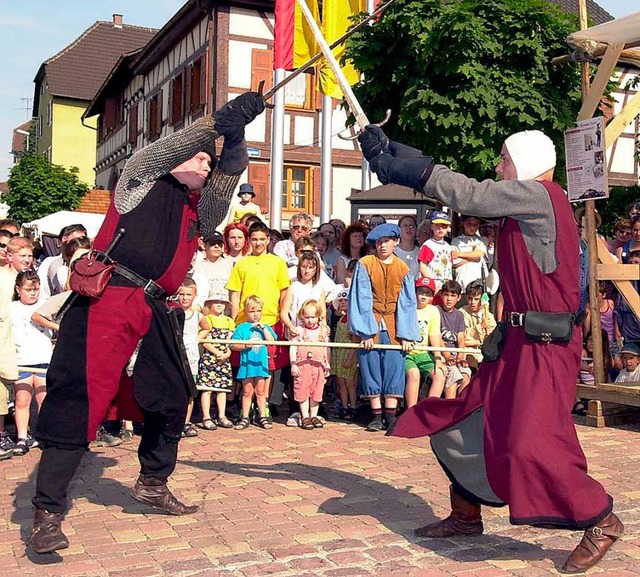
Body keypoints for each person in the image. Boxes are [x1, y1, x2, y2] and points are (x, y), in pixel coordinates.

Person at [359, 125, 623, 573]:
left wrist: (393, 167)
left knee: (533, 440)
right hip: (518, 340)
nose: (498, 166)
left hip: (546, 345)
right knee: (463, 415)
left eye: (504, 158)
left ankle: (601, 518)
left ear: (526, 162)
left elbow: (468, 194)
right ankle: (466, 513)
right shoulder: (525, 204)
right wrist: (394, 148)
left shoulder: (540, 196)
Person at [27, 91, 266, 554]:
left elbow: (223, 185)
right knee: (82, 400)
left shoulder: (199, 207)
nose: (203, 164)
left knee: (173, 395)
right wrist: (215, 124)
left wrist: (233, 145)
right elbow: (160, 153)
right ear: (177, 157)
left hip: (157, 308)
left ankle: (153, 482)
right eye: (196, 157)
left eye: (207, 160)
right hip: (109, 300)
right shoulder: (137, 180)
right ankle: (47, 510)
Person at [348, 223, 420, 432]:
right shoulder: (365, 264)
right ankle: (376, 414)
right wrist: (366, 332)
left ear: (395, 242)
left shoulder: (403, 268)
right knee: (370, 363)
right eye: (379, 242)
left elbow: (407, 303)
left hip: (394, 324)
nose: (382, 246)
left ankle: (390, 414)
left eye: (387, 241)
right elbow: (361, 298)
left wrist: (406, 335)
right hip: (371, 321)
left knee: (394, 365)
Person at [10, 270, 53, 456]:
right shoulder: (11, 308)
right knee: (22, 399)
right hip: (22, 360)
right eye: (28, 289)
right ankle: (22, 437)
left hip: (44, 359)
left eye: (36, 289)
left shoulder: (46, 305)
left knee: (43, 399)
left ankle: (45, 435)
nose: (33, 293)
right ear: (19, 290)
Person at [230, 295, 276, 430]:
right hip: (247, 365)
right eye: (252, 311)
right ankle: (245, 416)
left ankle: (262, 415)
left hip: (261, 365)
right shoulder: (241, 328)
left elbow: (271, 341)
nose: (256, 314)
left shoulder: (265, 326)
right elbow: (232, 345)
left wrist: (263, 329)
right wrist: (245, 346)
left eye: (258, 311)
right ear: (245, 312)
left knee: (261, 391)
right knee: (247, 391)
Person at [289, 299, 331, 430]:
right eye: (307, 317)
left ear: (319, 317)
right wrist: (293, 364)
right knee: (302, 390)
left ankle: (314, 415)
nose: (310, 320)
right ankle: (304, 416)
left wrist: (327, 364)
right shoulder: (299, 331)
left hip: (318, 366)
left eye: (313, 317)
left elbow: (326, 348)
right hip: (303, 365)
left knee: (317, 391)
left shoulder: (323, 331)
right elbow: (293, 347)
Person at [197, 290, 235, 430]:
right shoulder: (207, 319)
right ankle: (206, 416)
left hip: (224, 359)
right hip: (209, 357)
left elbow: (231, 341)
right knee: (207, 389)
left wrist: (227, 353)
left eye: (222, 302)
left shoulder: (229, 321)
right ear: (210, 304)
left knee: (222, 389)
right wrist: (216, 352)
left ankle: (222, 415)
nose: (219, 305)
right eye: (216, 302)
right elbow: (204, 339)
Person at [405, 277, 446, 406]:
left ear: (432, 297)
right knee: (414, 374)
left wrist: (438, 359)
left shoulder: (433, 311)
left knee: (440, 374)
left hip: (424, 353)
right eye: (421, 291)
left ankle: (428, 410)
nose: (423, 295)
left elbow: (434, 335)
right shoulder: (407, 307)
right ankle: (411, 412)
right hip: (406, 353)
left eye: (428, 293)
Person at [174, 278, 201, 438]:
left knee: (190, 392)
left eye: (188, 294)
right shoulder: (172, 312)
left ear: (195, 295)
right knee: (177, 390)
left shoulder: (197, 315)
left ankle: (186, 421)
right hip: (176, 358)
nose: (184, 298)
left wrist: (199, 337)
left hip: (191, 359)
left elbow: (206, 327)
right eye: (181, 294)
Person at [418, 211, 454, 291]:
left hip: (446, 287)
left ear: (448, 228)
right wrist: (432, 285)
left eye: (444, 225)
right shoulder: (428, 245)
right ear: (432, 227)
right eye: (437, 225)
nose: (440, 228)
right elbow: (423, 267)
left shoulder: (449, 247)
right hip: (431, 286)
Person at [452, 215, 488, 292]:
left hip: (480, 282)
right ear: (463, 223)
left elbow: (479, 254)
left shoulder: (483, 240)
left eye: (475, 225)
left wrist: (460, 254)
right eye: (469, 224)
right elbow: (454, 261)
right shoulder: (456, 241)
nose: (472, 227)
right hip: (462, 282)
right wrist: (473, 256)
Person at [394, 215, 420, 279]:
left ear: (416, 229)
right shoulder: (393, 252)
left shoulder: (420, 251)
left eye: (411, 226)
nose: (408, 228)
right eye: (405, 226)